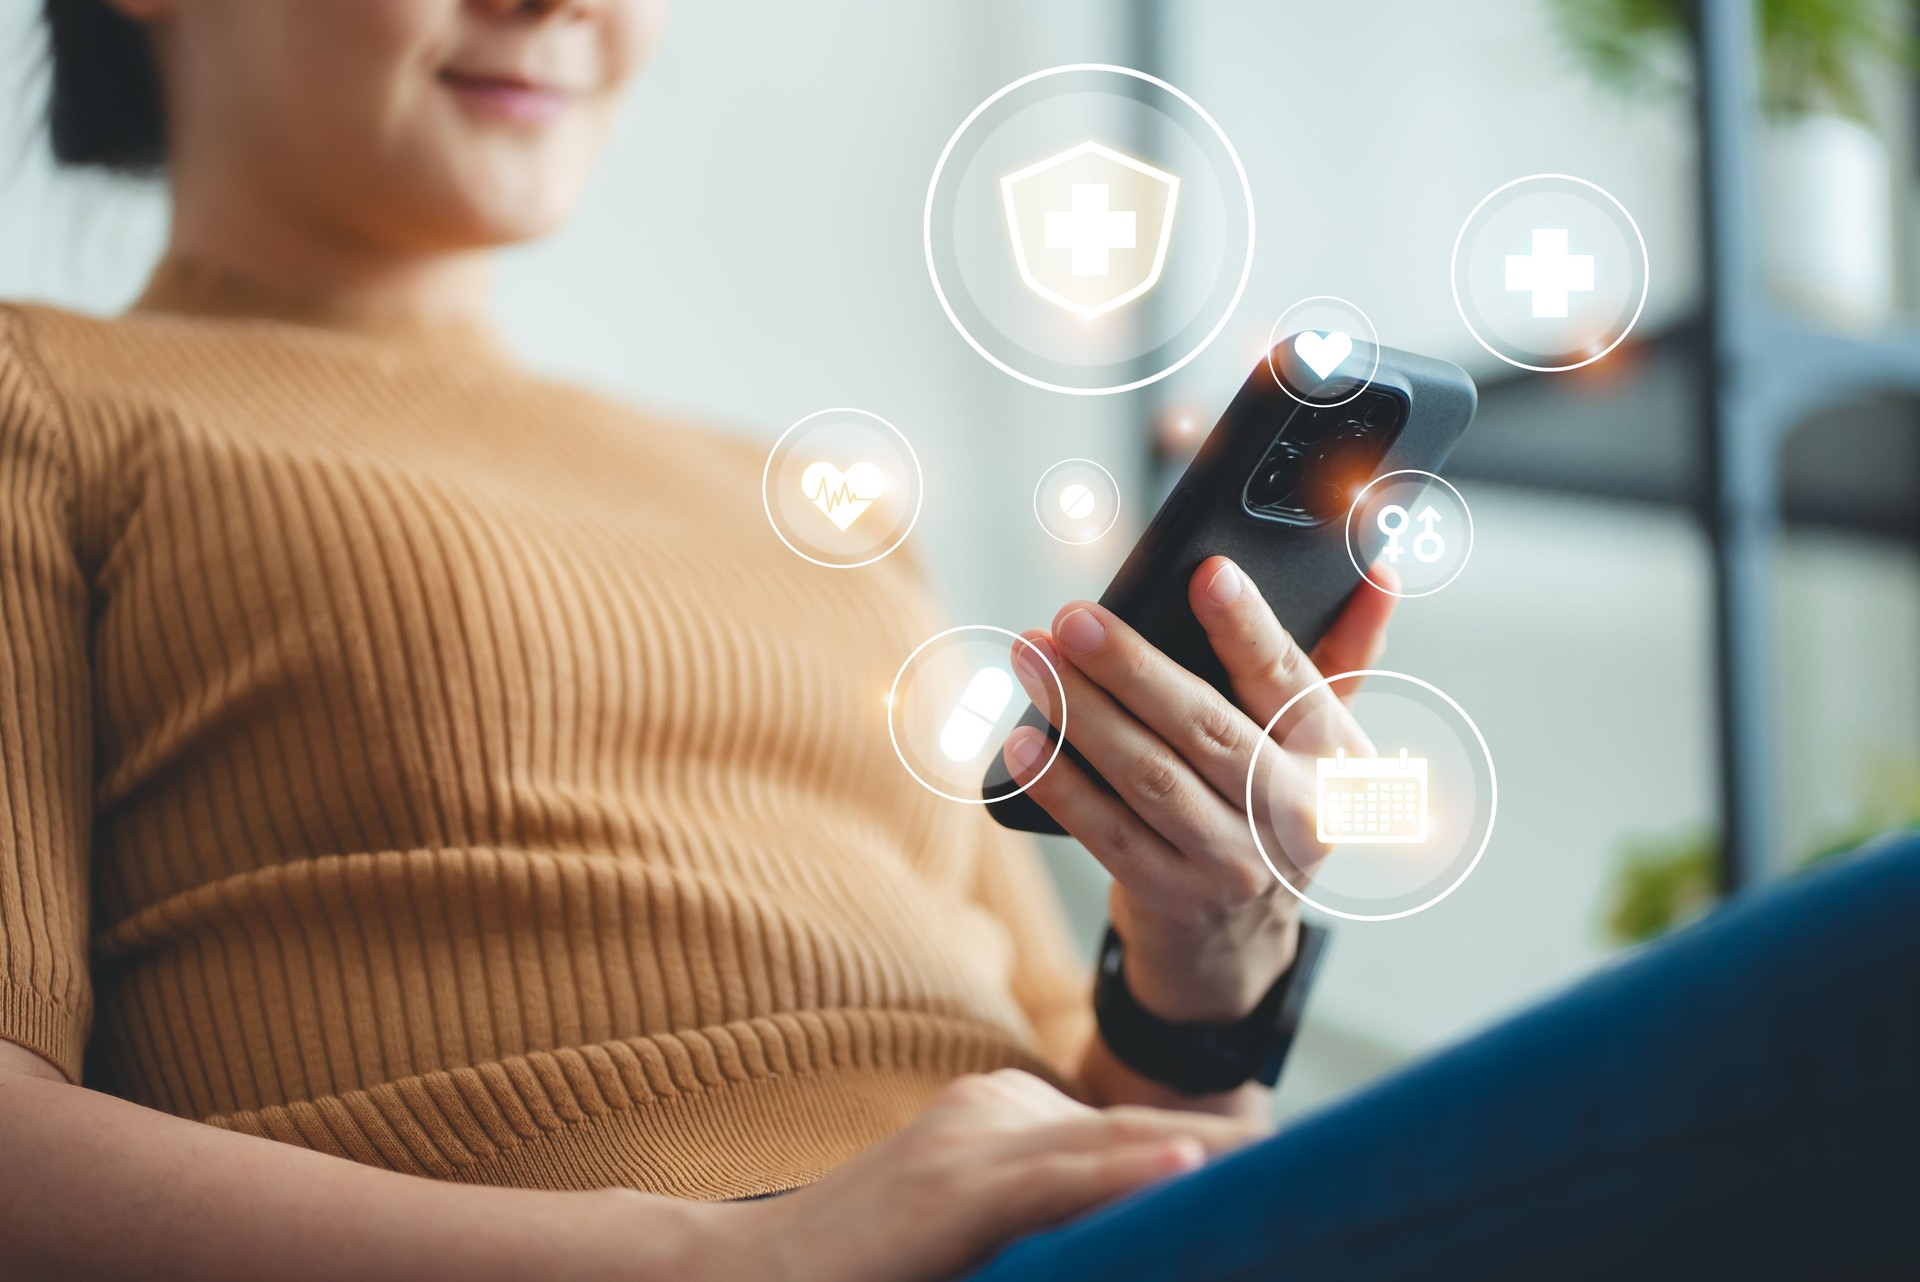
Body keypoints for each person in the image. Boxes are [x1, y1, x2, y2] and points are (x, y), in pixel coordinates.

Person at [2, 4, 1916, 1282]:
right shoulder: (47, 396)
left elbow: (1092, 1115)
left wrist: (1203, 965)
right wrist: (719, 1255)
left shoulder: (792, 503)